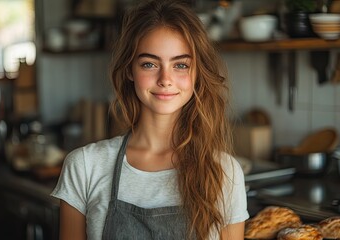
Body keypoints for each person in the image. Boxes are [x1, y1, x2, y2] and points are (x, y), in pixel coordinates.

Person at [51, 0, 249, 239]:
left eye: (180, 65)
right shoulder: (85, 166)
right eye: (149, 64)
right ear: (129, 70)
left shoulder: (224, 172)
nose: (165, 79)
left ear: (197, 74)